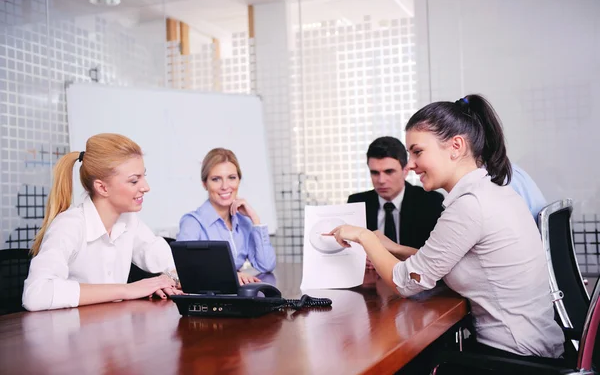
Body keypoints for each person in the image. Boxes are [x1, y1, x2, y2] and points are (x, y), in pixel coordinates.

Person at [327, 95, 564, 359]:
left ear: (456, 146)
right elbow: (438, 263)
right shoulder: (493, 192)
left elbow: (405, 282)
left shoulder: (470, 206)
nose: (412, 165)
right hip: (535, 345)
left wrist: (363, 236)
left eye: (417, 152)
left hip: (511, 357)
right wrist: (394, 248)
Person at [22, 133, 182, 312]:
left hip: (114, 329)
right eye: (134, 180)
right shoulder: (69, 225)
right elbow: (35, 294)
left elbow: (167, 261)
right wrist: (127, 290)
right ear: (102, 188)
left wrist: (170, 278)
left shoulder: (128, 221)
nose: (146, 187)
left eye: (143, 177)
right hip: (71, 333)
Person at [177, 148, 276, 283]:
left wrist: (255, 219)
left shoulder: (243, 222)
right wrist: (232, 275)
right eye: (216, 179)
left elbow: (266, 265)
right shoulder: (192, 223)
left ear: (238, 181)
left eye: (231, 178)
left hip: (237, 298)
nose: (225, 186)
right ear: (205, 184)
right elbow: (186, 271)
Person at [347, 137, 444, 250]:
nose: (381, 180)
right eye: (375, 173)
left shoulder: (430, 201)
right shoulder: (356, 203)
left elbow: (435, 256)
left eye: (389, 172)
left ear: (405, 171)